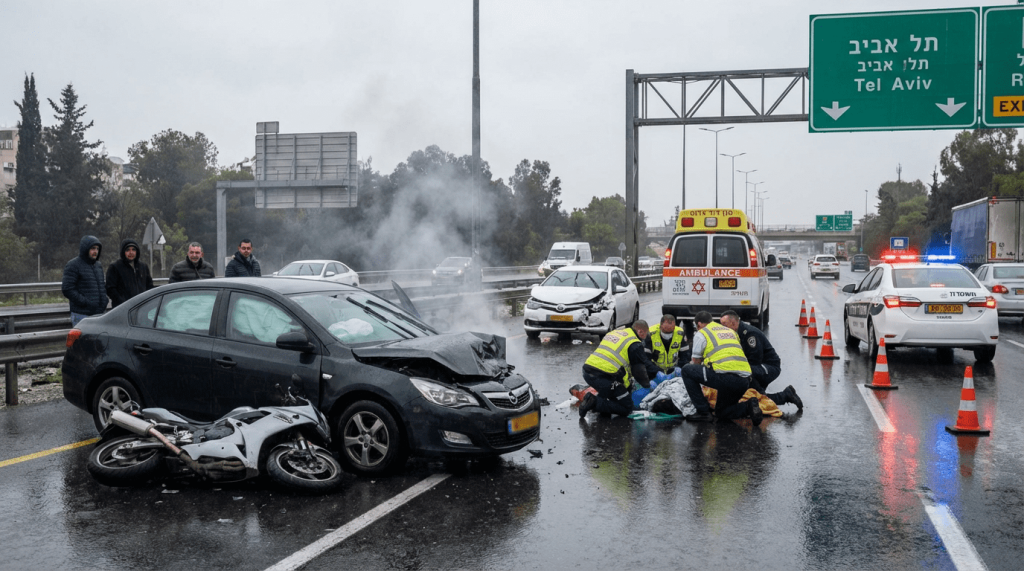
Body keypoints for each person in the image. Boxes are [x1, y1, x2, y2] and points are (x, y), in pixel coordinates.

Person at [680, 311, 762, 425]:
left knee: (687, 370)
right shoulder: (730, 331)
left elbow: (696, 362)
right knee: (722, 412)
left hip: (725, 377)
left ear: (698, 324)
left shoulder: (702, 333)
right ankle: (749, 406)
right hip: (744, 380)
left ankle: (703, 412)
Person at [720, 310, 803, 411]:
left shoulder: (749, 334)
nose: (722, 328)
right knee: (750, 395)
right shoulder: (736, 333)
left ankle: (767, 395)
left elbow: (754, 359)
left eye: (724, 325)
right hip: (756, 367)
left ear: (733, 323)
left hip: (769, 366)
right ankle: (785, 395)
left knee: (746, 376)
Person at [578, 320, 661, 418]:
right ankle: (593, 402)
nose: (645, 337)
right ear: (640, 332)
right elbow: (639, 371)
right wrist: (647, 385)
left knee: (615, 397)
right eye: (645, 334)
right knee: (627, 407)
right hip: (604, 377)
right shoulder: (635, 343)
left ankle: (600, 404)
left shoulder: (616, 333)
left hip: (587, 371)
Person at [62, 235, 108, 326]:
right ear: (85, 249)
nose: (95, 251)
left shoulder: (98, 266)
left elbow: (101, 286)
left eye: (97, 249)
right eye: (93, 248)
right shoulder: (73, 265)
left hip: (99, 314)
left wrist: (104, 301)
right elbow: (67, 289)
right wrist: (85, 302)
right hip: (81, 314)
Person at [105, 239, 154, 308]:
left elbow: (149, 286)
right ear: (123, 252)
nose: (131, 252)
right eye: (127, 250)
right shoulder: (115, 267)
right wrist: (123, 302)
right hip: (122, 308)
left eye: (133, 249)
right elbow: (110, 289)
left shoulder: (143, 267)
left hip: (142, 307)